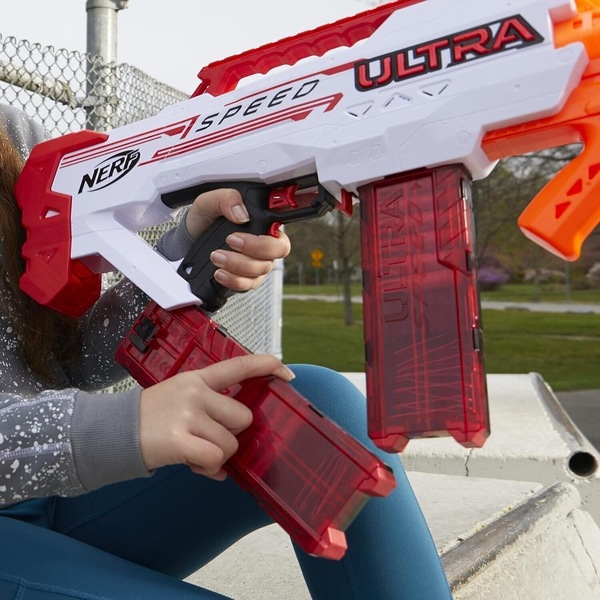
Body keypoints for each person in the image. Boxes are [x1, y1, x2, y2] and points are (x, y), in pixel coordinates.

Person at [0, 104, 452, 599]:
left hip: (52, 494)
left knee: (324, 405)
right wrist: (120, 426)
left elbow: (62, 358)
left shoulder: (14, 138)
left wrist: (193, 248)